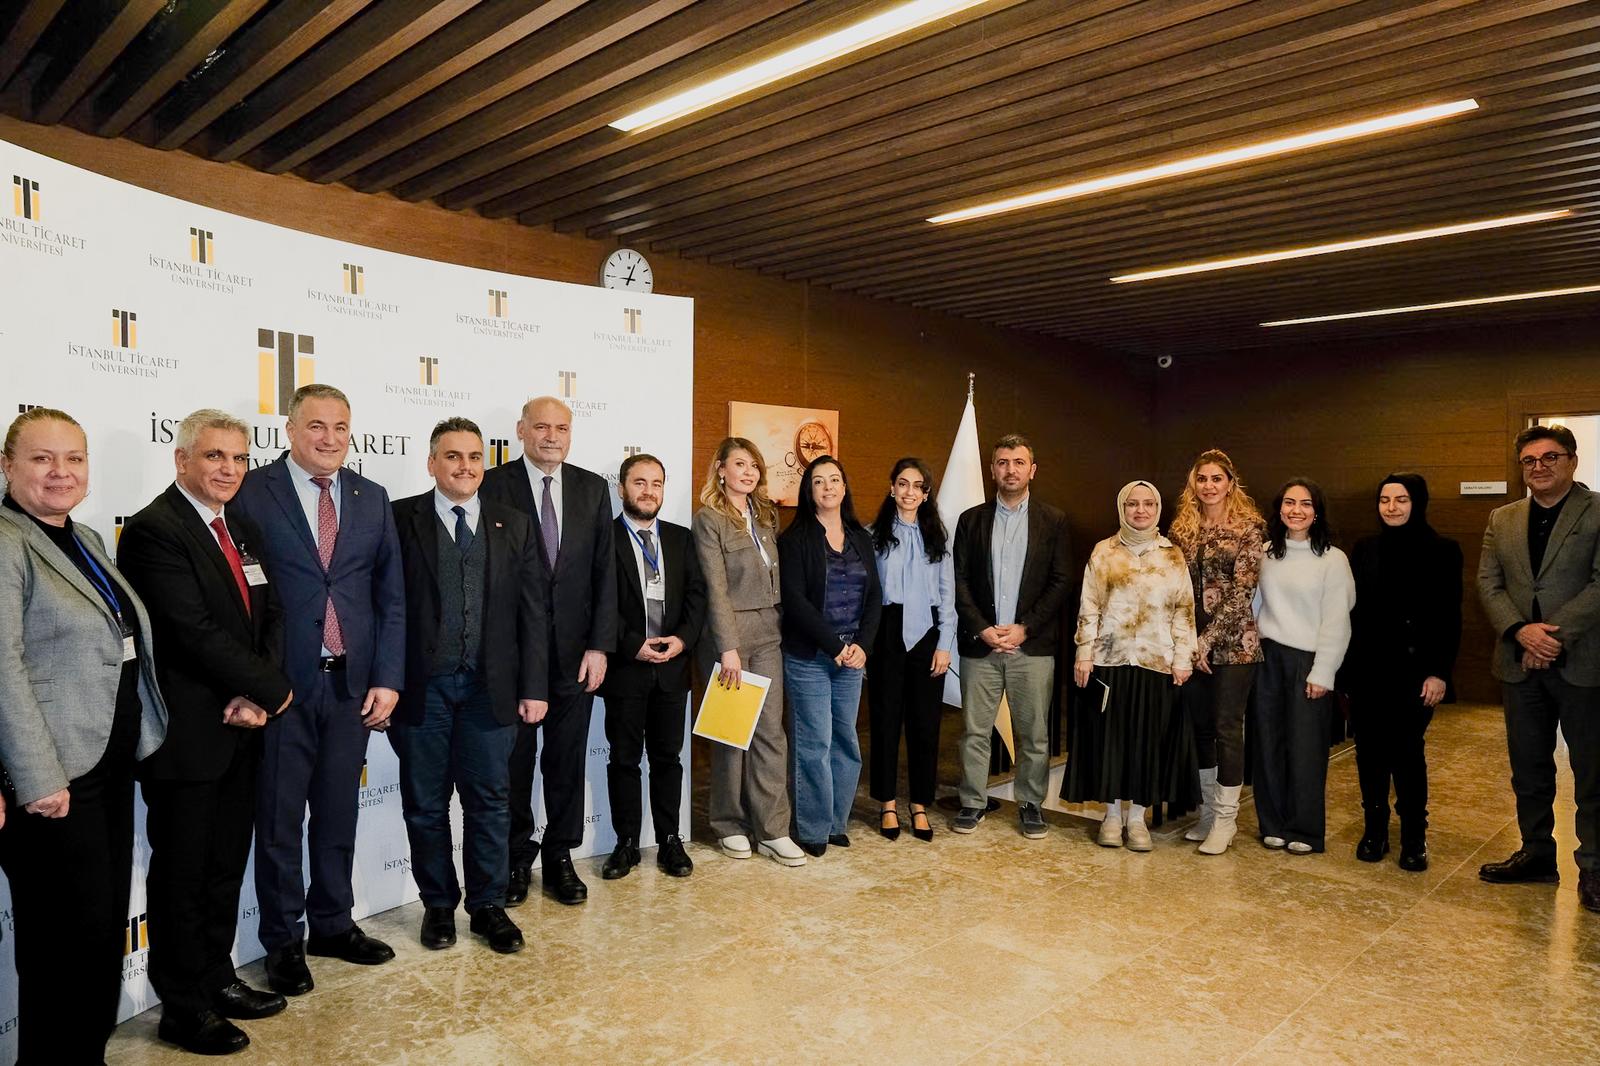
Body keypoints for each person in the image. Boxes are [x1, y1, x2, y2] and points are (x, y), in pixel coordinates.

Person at [118, 410, 294, 1055]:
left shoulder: (239, 525)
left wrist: (256, 695)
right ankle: (182, 1007)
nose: (229, 469)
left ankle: (218, 978)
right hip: (190, 736)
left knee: (223, 867)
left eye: (239, 458)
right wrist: (272, 692)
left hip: (242, 728)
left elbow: (270, 613)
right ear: (182, 460)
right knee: (183, 876)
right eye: (215, 456)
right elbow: (188, 630)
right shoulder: (153, 529)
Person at [0, 408, 168, 1064]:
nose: (61, 472)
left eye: (74, 458)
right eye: (42, 459)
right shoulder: (6, 542)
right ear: (8, 467)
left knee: (98, 934)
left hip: (107, 766)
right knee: (59, 948)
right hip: (54, 777)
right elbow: (3, 667)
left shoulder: (86, 537)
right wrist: (37, 776)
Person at [231, 383, 405, 996]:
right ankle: (283, 940)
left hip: (351, 687)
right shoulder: (251, 491)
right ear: (289, 430)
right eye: (316, 426)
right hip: (281, 690)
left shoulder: (370, 496)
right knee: (279, 821)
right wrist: (251, 681)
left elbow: (391, 597)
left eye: (340, 427)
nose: (330, 438)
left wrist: (387, 678)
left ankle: (333, 923)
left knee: (337, 813)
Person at [390, 418, 549, 955]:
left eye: (475, 457)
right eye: (453, 456)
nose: (465, 467)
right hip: (423, 690)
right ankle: (438, 905)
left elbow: (533, 613)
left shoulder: (515, 524)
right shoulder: (401, 519)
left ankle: (488, 906)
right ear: (431, 463)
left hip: (490, 689)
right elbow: (384, 607)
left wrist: (534, 686)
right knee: (425, 805)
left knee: (491, 802)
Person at [480, 395, 617, 906]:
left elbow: (605, 572)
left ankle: (560, 855)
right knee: (515, 764)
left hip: (576, 656)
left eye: (561, 428)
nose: (552, 436)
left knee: (566, 761)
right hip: (514, 657)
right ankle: (517, 857)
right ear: (521, 430)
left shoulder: (591, 488)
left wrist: (600, 645)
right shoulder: (492, 485)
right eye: (541, 427)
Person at [1477, 424, 1600, 912]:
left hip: (1583, 664)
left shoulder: (1597, 512)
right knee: (1528, 768)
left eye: (1550, 457)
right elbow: (1489, 584)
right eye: (1529, 460)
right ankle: (1536, 853)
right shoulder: (1502, 518)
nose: (1539, 467)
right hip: (1518, 663)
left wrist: (1549, 637)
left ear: (1572, 460)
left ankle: (1594, 866)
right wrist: (1519, 631)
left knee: (1591, 770)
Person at [951, 433, 1074, 838]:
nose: (1010, 470)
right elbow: (959, 580)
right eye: (1003, 462)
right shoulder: (971, 520)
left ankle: (1030, 804)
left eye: (1019, 462)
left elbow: (1060, 581)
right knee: (974, 732)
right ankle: (972, 802)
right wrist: (982, 628)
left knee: (1034, 734)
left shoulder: (1053, 520)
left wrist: (1025, 628)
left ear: (1032, 470)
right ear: (992, 469)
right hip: (981, 646)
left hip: (1031, 648)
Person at [1065, 481, 1197, 850]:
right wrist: (1084, 652)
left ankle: (1137, 819)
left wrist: (1183, 657)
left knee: (1147, 745)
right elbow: (1089, 606)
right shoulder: (1103, 552)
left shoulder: (1172, 556)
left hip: (1157, 662)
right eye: (1133, 504)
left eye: (1148, 504)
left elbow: (1184, 611)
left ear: (1158, 509)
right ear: (1122, 508)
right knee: (1110, 743)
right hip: (1109, 661)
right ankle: (1111, 817)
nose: (1141, 510)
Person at [692, 437, 805, 866]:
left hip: (768, 632)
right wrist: (728, 649)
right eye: (740, 464)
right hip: (730, 636)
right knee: (732, 732)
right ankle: (728, 824)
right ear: (721, 469)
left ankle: (773, 829)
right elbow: (715, 589)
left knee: (770, 732)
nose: (748, 472)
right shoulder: (709, 520)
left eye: (754, 465)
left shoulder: (765, 515)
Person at [1343, 473, 1461, 872]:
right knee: (1369, 752)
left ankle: (1414, 836)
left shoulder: (1443, 550)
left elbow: (1449, 616)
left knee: (1407, 752)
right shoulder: (1365, 548)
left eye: (1401, 499)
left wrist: (1439, 672)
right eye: (1385, 500)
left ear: (1418, 502)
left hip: (1415, 673)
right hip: (1368, 669)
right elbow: (1353, 614)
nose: (1391, 507)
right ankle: (1374, 830)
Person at [598, 453, 706, 879]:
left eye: (656, 483)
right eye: (639, 482)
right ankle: (625, 843)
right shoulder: (603, 538)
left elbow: (697, 596)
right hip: (626, 668)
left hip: (672, 668)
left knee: (668, 759)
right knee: (624, 759)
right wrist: (631, 645)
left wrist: (682, 640)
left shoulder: (681, 538)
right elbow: (597, 603)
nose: (648, 491)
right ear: (622, 488)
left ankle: (669, 841)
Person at [779, 455, 882, 857]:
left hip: (852, 658)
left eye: (834, 479)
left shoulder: (860, 537)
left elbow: (874, 597)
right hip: (811, 658)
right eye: (819, 481)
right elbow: (795, 602)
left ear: (844, 487)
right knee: (814, 743)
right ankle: (813, 828)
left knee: (845, 742)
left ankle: (837, 822)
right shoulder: (795, 540)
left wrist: (862, 647)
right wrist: (835, 647)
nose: (827, 487)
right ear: (809, 491)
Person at [1167, 448, 1265, 854]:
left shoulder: (1249, 529)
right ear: (1194, 483)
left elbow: (1243, 592)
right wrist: (1189, 642)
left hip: (1235, 646)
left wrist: (1206, 641)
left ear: (1230, 483)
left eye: (1216, 478)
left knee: (1227, 729)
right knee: (1200, 730)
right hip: (1190, 645)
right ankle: (1208, 814)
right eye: (1202, 478)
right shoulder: (1181, 530)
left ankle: (1226, 821)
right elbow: (1175, 588)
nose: (1209, 486)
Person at [1250, 478, 1354, 854]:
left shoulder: (1332, 559)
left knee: (1306, 748)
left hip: (1308, 659)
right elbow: (1254, 606)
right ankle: (1272, 823)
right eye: (1289, 503)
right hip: (1267, 658)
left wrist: (1323, 671)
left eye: (1305, 504)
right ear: (1279, 509)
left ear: (1317, 512)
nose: (1297, 510)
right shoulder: (1265, 553)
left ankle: (1305, 830)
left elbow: (1337, 620)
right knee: (1267, 744)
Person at [868, 458, 955, 843]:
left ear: (926, 493)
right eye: (902, 483)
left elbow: (948, 596)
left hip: (927, 634)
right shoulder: (873, 536)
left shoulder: (937, 537)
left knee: (925, 725)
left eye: (917, 486)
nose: (909, 492)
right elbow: (867, 594)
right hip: (886, 632)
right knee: (884, 722)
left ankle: (919, 803)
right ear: (892, 488)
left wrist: (945, 644)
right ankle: (887, 803)